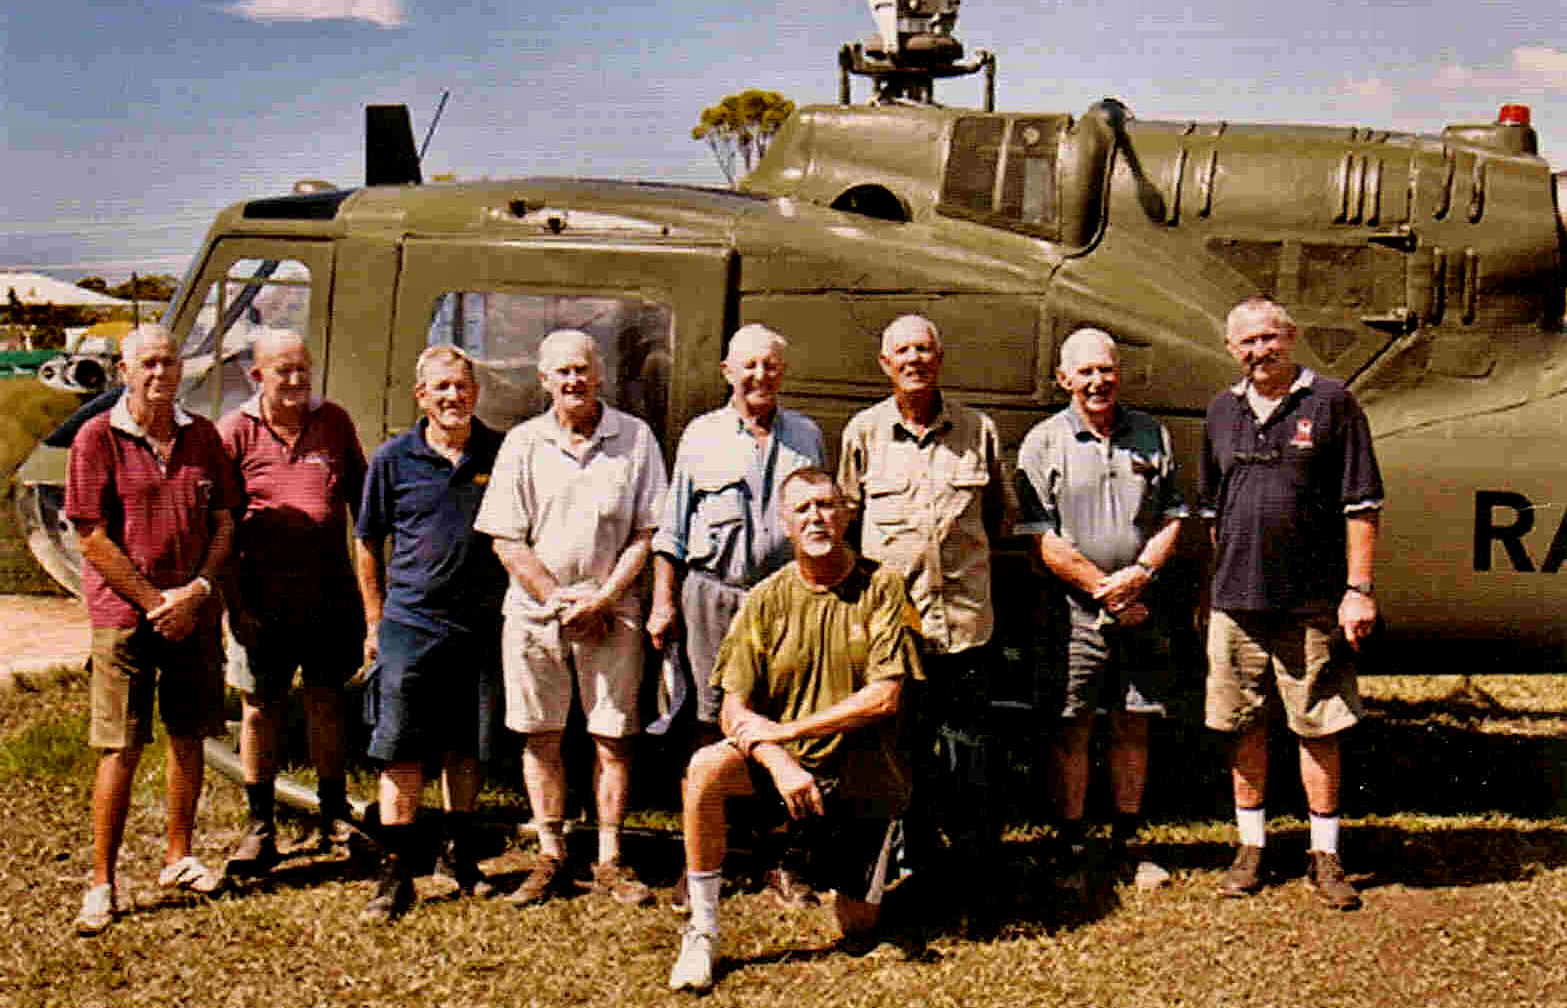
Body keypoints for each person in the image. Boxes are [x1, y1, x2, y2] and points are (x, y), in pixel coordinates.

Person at [668, 469, 922, 992]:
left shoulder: (884, 587)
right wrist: (780, 760)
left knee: (858, 927)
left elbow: (884, 696)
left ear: (847, 515)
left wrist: (785, 733)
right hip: (787, 771)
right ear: (784, 524)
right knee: (705, 768)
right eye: (802, 509)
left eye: (827, 506)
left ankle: (864, 859)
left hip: (862, 777)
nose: (816, 518)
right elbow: (731, 708)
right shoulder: (764, 598)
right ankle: (703, 931)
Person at [1199, 297, 1382, 911]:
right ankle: (1251, 848)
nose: (1259, 351)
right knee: (1242, 725)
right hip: (1235, 604)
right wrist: (1212, 590)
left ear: (1292, 337)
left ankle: (1324, 854)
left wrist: (1357, 591)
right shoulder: (1221, 411)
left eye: (1269, 338)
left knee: (1317, 726)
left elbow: (1361, 505)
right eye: (1246, 342)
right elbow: (1214, 515)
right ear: (1232, 349)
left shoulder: (1332, 402)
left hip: (1310, 603)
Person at [475, 329, 668, 907]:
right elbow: (506, 540)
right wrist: (561, 600)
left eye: (582, 369)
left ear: (600, 374)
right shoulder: (523, 444)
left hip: (615, 613)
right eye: (561, 372)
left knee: (613, 738)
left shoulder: (634, 439)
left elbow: (648, 532)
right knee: (542, 737)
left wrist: (605, 598)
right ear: (544, 380)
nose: (573, 380)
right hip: (537, 617)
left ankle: (610, 858)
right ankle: (551, 854)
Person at [66, 323, 240, 935]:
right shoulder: (97, 438)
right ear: (123, 371)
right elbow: (90, 535)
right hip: (125, 619)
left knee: (189, 736)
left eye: (169, 362)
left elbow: (224, 520)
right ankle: (101, 883)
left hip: (193, 614)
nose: (160, 374)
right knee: (122, 745)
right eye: (147, 364)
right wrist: (152, 602)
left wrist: (195, 592)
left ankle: (179, 856)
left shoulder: (203, 437)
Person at [837, 313, 1004, 931]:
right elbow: (845, 530)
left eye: (925, 350)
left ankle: (976, 886)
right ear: (885, 364)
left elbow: (1001, 518)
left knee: (969, 765)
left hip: (965, 629)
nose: (914, 360)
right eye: (901, 351)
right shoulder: (863, 434)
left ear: (941, 358)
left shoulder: (978, 431)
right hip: (896, 636)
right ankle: (910, 873)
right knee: (898, 761)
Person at [647, 323, 824, 905]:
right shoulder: (701, 436)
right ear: (727, 372)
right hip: (712, 596)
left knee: (784, 722)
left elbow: (820, 524)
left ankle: (780, 860)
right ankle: (706, 859)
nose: (759, 376)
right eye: (748, 366)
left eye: (770, 365)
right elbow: (672, 528)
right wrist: (663, 600)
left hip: (782, 600)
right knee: (706, 724)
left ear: (782, 372)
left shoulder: (806, 435)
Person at [1015, 328, 1187, 890]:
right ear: (1064, 379)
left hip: (1142, 608)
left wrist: (1139, 577)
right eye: (1085, 372)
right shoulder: (1043, 443)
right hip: (1074, 616)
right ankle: (1070, 845)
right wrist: (1102, 590)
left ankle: (1128, 841)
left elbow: (1173, 518)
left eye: (1106, 370)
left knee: (1133, 725)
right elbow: (1040, 535)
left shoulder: (1152, 434)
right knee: (1072, 727)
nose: (1097, 381)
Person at [354, 344, 508, 923]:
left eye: (462, 385)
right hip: (410, 624)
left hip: (479, 626)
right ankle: (395, 876)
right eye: (441, 387)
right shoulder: (393, 459)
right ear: (421, 396)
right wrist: (374, 620)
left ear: (475, 391)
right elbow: (367, 541)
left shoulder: (500, 451)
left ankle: (460, 857)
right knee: (400, 748)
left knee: (465, 747)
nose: (453, 396)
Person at [218, 330, 367, 877]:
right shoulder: (234, 433)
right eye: (284, 371)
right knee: (261, 708)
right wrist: (237, 604)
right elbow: (222, 526)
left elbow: (364, 504)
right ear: (257, 375)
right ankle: (260, 826)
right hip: (260, 601)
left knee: (326, 700)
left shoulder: (334, 422)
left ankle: (334, 813)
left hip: (328, 596)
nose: (297, 381)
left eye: (303, 369)